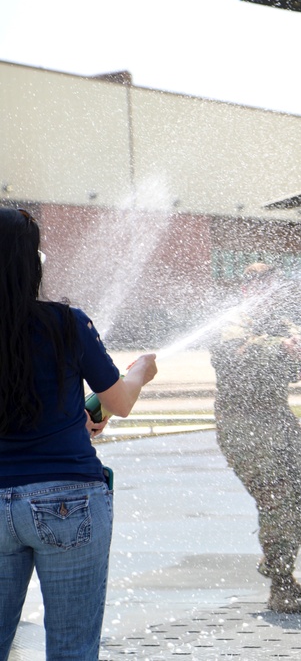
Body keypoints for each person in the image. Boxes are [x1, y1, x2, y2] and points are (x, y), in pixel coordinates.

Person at [0, 207, 158, 660]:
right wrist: (141, 372)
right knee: (72, 649)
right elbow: (121, 402)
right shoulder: (67, 323)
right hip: (67, 497)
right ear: (32, 263)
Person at [210, 262, 301, 614]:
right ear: (247, 288)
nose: (268, 290)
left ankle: (277, 556)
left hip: (277, 417)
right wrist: (280, 348)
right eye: (260, 284)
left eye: (273, 284)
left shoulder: (284, 324)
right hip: (241, 424)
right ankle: (281, 582)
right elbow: (234, 356)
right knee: (277, 500)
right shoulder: (231, 321)